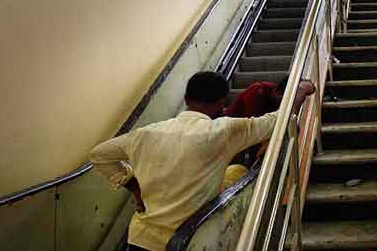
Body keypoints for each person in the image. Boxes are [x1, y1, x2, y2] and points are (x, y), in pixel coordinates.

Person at [89, 72, 315, 251]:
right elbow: (277, 120)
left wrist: (133, 185)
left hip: (141, 238)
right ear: (221, 103)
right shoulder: (223, 131)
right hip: (188, 238)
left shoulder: (143, 134)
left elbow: (99, 154)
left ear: (186, 99)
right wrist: (301, 90)